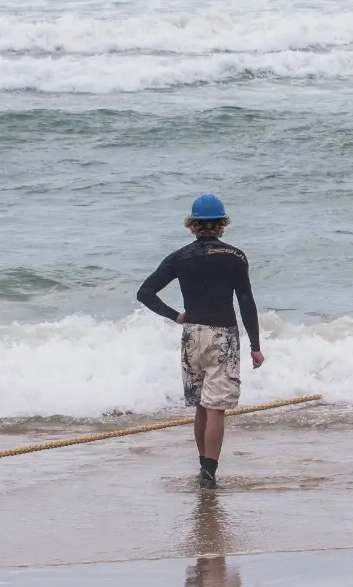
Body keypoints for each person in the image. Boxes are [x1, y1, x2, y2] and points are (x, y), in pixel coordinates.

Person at [137, 193, 264, 488]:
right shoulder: (235, 257)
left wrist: (175, 316)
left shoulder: (180, 257)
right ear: (222, 224)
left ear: (192, 225)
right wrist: (255, 345)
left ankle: (202, 469)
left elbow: (145, 292)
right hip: (223, 336)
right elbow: (246, 300)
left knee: (200, 406)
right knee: (215, 408)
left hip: (191, 335)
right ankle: (209, 474)